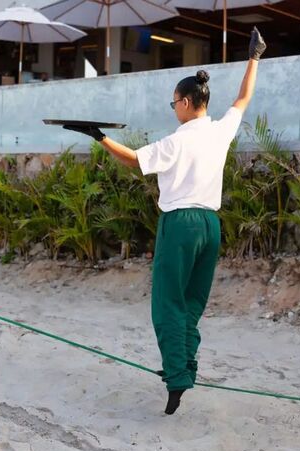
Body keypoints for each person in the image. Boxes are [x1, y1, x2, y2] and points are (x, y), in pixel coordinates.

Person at [63, 27, 266, 415]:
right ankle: (184, 367)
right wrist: (254, 56)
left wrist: (98, 137)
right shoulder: (220, 130)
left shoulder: (179, 140)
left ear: (188, 102)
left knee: (166, 303)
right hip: (211, 225)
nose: (173, 108)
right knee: (192, 302)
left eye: (174, 102)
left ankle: (176, 379)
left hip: (181, 224)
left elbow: (136, 160)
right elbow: (243, 97)